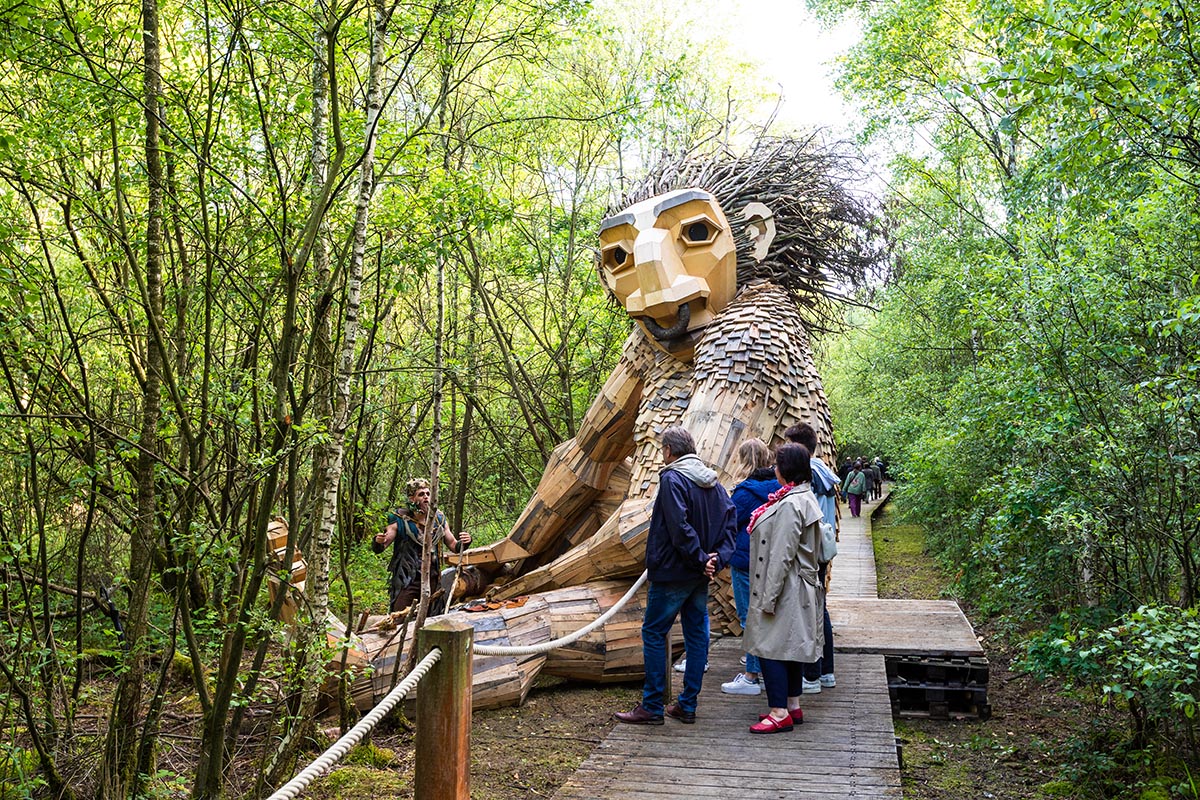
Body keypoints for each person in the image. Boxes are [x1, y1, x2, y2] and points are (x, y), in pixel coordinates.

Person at [615, 426, 736, 725]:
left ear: (669, 451)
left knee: (654, 632)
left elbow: (678, 526)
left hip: (673, 572)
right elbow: (731, 522)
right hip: (697, 574)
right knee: (697, 636)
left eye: (662, 451)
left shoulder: (672, 478)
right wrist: (716, 558)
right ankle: (687, 705)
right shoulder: (713, 483)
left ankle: (653, 705)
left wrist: (700, 559)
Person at [744, 443, 825, 734]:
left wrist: (768, 597)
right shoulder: (803, 495)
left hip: (786, 588)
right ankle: (792, 704)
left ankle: (778, 711)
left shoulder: (791, 503)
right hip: (797, 586)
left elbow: (781, 554)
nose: (774, 470)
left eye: (777, 465)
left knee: (769, 647)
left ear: (786, 469)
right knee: (788, 646)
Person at [719, 438, 780, 697]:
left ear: (743, 459)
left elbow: (728, 520)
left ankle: (751, 676)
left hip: (745, 560)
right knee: (766, 615)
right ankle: (767, 670)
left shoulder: (744, 492)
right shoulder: (777, 486)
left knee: (748, 616)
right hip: (770, 559)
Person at [784, 424, 838, 693]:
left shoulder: (810, 476)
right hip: (821, 549)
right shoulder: (824, 471)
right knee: (820, 610)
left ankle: (812, 674)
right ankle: (825, 670)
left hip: (810, 551)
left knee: (811, 613)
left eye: (789, 446)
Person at [373, 478, 471, 613]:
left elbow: (454, 546)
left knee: (432, 618)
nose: (426, 497)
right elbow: (381, 546)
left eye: (428, 494)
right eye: (421, 494)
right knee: (399, 617)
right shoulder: (400, 520)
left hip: (432, 580)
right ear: (412, 498)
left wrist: (465, 542)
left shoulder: (439, 519)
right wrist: (377, 541)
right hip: (408, 581)